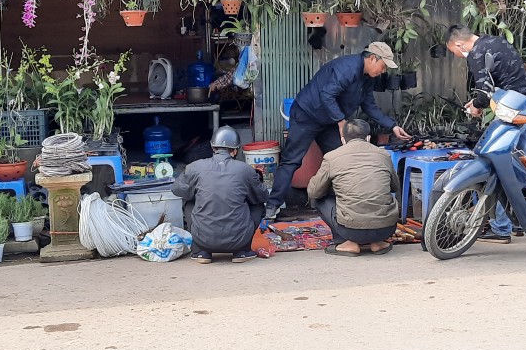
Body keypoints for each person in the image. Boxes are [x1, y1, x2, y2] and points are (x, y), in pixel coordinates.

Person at [265, 42, 412, 220]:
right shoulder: (348, 68)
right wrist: (341, 122)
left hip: (329, 121)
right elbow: (327, 94)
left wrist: (393, 126)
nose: (383, 71)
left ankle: (344, 205)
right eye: (383, 66)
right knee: (291, 161)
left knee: (342, 159)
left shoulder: (367, 79)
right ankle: (272, 206)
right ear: (373, 58)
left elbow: (370, 106)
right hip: (307, 115)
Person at [446, 25, 526, 244]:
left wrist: (476, 107)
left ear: (459, 44)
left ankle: (500, 228)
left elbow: (485, 90)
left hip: (514, 115)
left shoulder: (476, 53)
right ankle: (520, 220)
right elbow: (508, 81)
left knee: (502, 168)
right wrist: (480, 101)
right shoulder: (499, 42)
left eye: (454, 52)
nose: (458, 56)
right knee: (523, 167)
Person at [172, 126, 269, 263]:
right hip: (239, 240)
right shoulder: (245, 170)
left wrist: (199, 193)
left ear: (213, 148)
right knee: (257, 204)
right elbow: (263, 196)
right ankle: (242, 251)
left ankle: (200, 251)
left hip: (203, 239)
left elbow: (177, 189)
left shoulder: (195, 167)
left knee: (188, 201)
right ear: (235, 151)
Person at [307, 119, 399, 256]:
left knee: (318, 199)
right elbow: (395, 187)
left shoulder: (332, 157)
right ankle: (378, 243)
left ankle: (347, 243)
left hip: (350, 230)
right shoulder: (384, 155)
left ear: (342, 139)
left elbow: (313, 192)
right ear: (368, 138)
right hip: (386, 228)